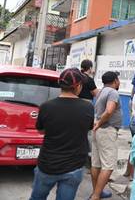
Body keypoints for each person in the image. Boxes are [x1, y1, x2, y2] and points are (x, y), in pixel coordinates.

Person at [29, 68, 94, 200]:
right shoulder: (87, 107)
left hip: (47, 164)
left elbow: (40, 130)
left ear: (60, 84)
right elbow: (88, 128)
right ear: (78, 86)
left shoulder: (46, 106)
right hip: (74, 166)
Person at [89, 71, 122, 200]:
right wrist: (99, 123)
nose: (119, 82)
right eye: (118, 79)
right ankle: (96, 196)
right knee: (108, 166)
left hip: (99, 132)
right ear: (115, 81)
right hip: (107, 130)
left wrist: (97, 124)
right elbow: (109, 111)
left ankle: (97, 191)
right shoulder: (113, 92)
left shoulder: (101, 92)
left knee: (96, 164)